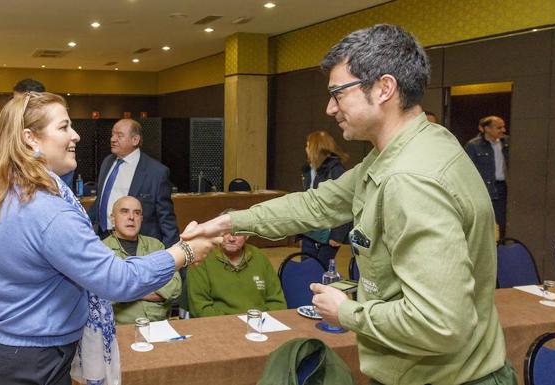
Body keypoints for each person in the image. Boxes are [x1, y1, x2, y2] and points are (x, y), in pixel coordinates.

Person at [182, 24, 516, 385]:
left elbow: (440, 322)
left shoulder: (410, 180)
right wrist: (228, 223)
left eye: (338, 93)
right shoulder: (408, 148)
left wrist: (349, 312)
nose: (329, 108)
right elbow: (317, 205)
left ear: (384, 88)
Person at [0, 92, 219, 385]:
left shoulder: (5, 190)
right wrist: (184, 252)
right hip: (31, 358)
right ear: (30, 138)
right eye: (63, 127)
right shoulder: (47, 210)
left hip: (0, 342)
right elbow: (118, 280)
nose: (75, 135)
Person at [88, 118, 179, 246]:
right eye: (112, 134)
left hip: (138, 244)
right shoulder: (107, 162)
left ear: (135, 140)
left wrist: (173, 257)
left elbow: (166, 219)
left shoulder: (156, 172)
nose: (113, 139)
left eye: (119, 135)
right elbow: (101, 201)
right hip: (103, 238)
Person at [187, 209, 286, 317]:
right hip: (220, 326)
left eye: (237, 233)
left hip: (259, 324)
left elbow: (277, 302)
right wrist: (234, 326)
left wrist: (259, 322)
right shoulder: (202, 258)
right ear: (217, 234)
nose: (231, 238)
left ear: (247, 235)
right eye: (226, 233)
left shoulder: (259, 256)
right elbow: (200, 308)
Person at [105, 196, 181, 323]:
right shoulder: (102, 250)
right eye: (124, 211)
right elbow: (105, 292)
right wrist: (149, 286)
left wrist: (128, 290)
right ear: (113, 218)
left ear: (141, 219)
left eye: (137, 213)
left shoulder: (156, 246)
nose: (131, 217)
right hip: (121, 328)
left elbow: (174, 286)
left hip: (159, 325)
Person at [300, 130, 351, 266]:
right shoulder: (307, 170)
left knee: (322, 269)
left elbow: (345, 205)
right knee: (307, 268)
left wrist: (337, 235)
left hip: (328, 232)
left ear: (315, 148)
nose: (305, 148)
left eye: (307, 145)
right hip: (310, 230)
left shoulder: (336, 171)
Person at [464, 116, 509, 239]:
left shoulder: (507, 143)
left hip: (502, 187)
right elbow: (467, 170)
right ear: (486, 128)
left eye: (503, 127)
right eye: (498, 127)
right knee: (484, 224)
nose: (503, 130)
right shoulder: (473, 145)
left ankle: (500, 251)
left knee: (502, 223)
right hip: (483, 188)